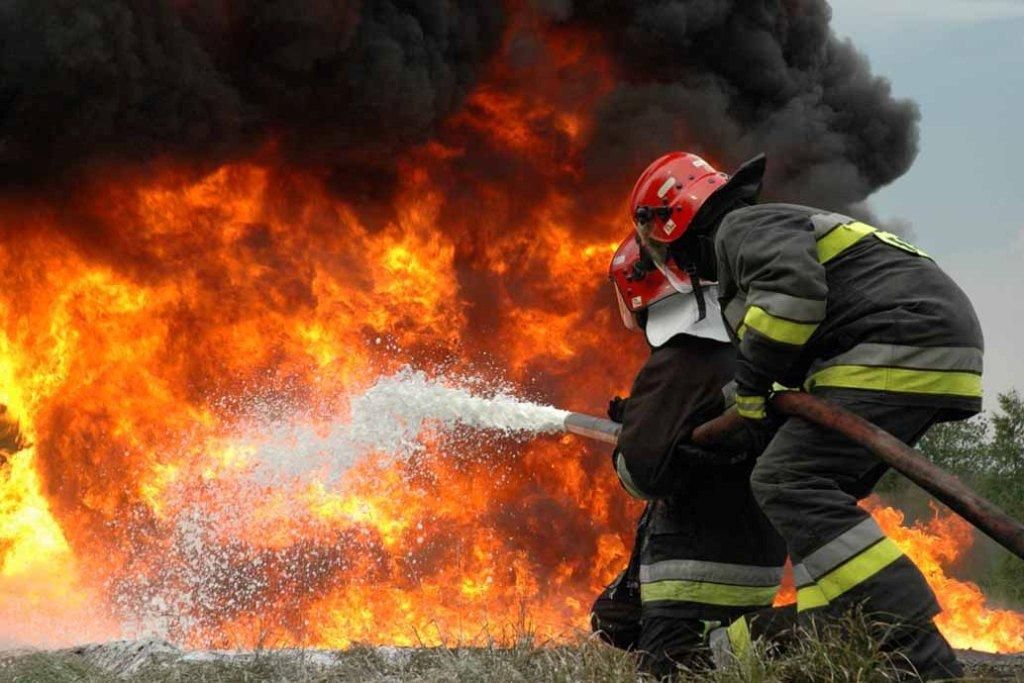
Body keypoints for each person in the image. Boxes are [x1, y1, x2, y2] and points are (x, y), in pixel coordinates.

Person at [625, 151, 983, 679]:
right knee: (817, 502)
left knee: (787, 478)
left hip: (897, 340)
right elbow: (789, 349)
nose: (668, 260)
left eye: (658, 246)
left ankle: (916, 650)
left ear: (674, 221)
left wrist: (749, 387)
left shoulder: (740, 229)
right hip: (924, 344)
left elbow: (793, 302)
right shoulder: (764, 230)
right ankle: (839, 637)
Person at [590, 232, 788, 678]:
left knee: (671, 671)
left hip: (692, 572)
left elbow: (641, 474)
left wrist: (634, 438)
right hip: (757, 565)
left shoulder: (681, 358)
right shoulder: (749, 352)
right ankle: (733, 650)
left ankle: (743, 647)